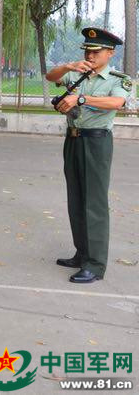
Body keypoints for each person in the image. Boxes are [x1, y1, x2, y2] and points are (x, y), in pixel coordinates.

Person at [45, 27, 131, 284]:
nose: (90, 56)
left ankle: (95, 264)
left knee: (94, 202)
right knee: (76, 199)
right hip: (73, 139)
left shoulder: (118, 79)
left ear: (110, 53)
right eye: (87, 51)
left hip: (97, 142)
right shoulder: (77, 73)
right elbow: (51, 76)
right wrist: (69, 65)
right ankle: (82, 254)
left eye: (96, 52)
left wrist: (81, 99)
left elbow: (117, 103)